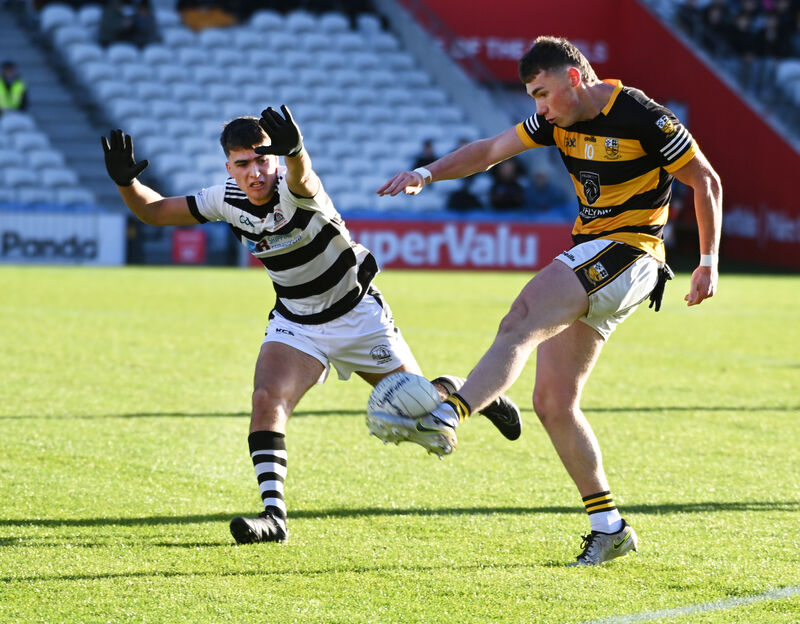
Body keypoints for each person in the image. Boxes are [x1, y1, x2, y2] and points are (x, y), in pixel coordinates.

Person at [100, 106, 521, 544]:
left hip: (359, 317)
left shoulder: (295, 188)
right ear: (229, 167)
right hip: (297, 322)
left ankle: (468, 391)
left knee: (423, 421)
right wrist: (126, 183)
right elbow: (154, 212)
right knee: (267, 399)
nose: (255, 172)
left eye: (263, 159)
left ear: (276, 160)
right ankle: (274, 516)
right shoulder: (223, 198)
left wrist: (297, 151)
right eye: (243, 164)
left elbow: (304, 176)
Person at [376, 36, 722, 566]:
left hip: (631, 252)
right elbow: (490, 152)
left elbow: (706, 183)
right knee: (554, 403)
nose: (538, 107)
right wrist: (426, 173)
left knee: (521, 318)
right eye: (532, 97)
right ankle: (610, 528)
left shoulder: (643, 116)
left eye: (542, 94)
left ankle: (451, 410)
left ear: (575, 79)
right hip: (597, 255)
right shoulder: (555, 120)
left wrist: (708, 261)